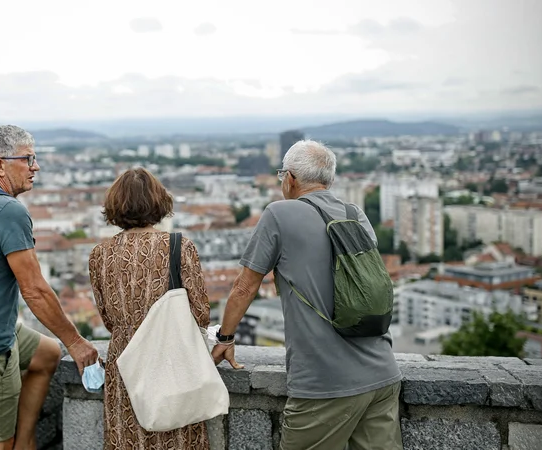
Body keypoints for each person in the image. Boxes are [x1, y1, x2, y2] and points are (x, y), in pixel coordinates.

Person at [211, 140, 403, 450]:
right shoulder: (355, 214)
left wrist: (226, 338)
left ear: (290, 178)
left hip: (326, 384)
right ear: (329, 179)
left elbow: (245, 287)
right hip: (382, 375)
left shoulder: (279, 214)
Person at [0, 125, 98, 450]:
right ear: (0, 165)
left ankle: (24, 440)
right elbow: (35, 290)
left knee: (48, 354)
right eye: (28, 159)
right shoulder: (9, 211)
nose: (35, 166)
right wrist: (77, 343)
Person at [88, 167, 212, 450]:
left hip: (125, 362)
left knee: (127, 438)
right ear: (159, 202)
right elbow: (200, 313)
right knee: (178, 437)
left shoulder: (100, 254)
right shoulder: (180, 247)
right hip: (173, 362)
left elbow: (107, 317)